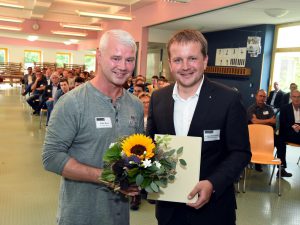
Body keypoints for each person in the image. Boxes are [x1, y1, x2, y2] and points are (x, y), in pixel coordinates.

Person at [147, 29, 251, 225]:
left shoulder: (228, 99)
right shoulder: (158, 98)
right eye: (178, 60)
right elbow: (151, 144)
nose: (185, 66)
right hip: (169, 211)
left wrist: (212, 184)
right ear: (170, 64)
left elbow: (241, 152)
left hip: (214, 211)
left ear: (205, 60)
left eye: (192, 58)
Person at [42, 29, 144, 225]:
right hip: (79, 216)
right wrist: (106, 176)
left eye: (129, 60)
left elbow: (137, 153)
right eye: (115, 58)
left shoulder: (135, 105)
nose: (123, 66)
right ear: (99, 56)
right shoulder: (72, 102)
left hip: (119, 217)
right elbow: (51, 157)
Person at [247, 89, 276, 172]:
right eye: (260, 96)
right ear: (256, 96)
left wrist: (259, 122)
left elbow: (273, 122)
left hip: (267, 136)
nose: (262, 98)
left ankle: (282, 167)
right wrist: (268, 120)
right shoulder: (251, 109)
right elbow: (254, 121)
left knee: (280, 141)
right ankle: (256, 161)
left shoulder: (269, 109)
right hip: (253, 136)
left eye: (264, 96)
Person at [278, 89, 300, 175]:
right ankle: (281, 168)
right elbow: (282, 123)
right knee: (280, 139)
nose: (296, 99)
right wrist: (292, 126)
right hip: (289, 132)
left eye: (298, 97)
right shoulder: (284, 108)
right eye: (294, 97)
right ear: (291, 97)